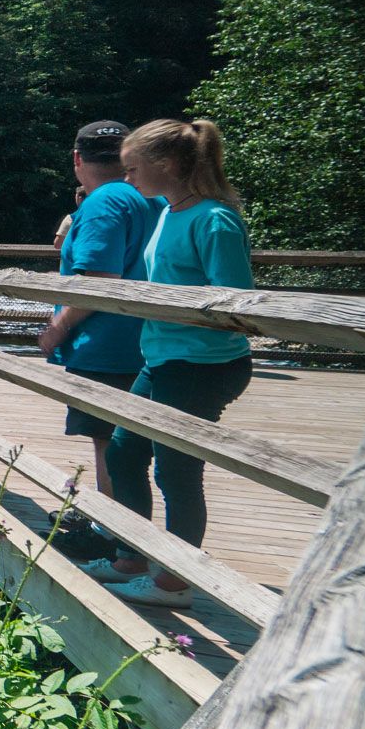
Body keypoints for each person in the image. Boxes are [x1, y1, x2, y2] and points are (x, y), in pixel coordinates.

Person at [81, 119, 255, 610]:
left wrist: (172, 305)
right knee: (122, 453)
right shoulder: (168, 212)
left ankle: (175, 582)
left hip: (200, 364)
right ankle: (132, 558)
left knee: (177, 472)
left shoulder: (214, 219)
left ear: (169, 165)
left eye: (134, 169)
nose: (129, 179)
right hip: (162, 358)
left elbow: (235, 303)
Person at [36, 121, 159, 500]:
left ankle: (110, 536)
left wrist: (58, 327)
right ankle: (122, 537)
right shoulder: (153, 198)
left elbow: (99, 279)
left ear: (77, 158)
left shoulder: (103, 202)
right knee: (129, 448)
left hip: (107, 346)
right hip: (146, 342)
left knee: (110, 445)